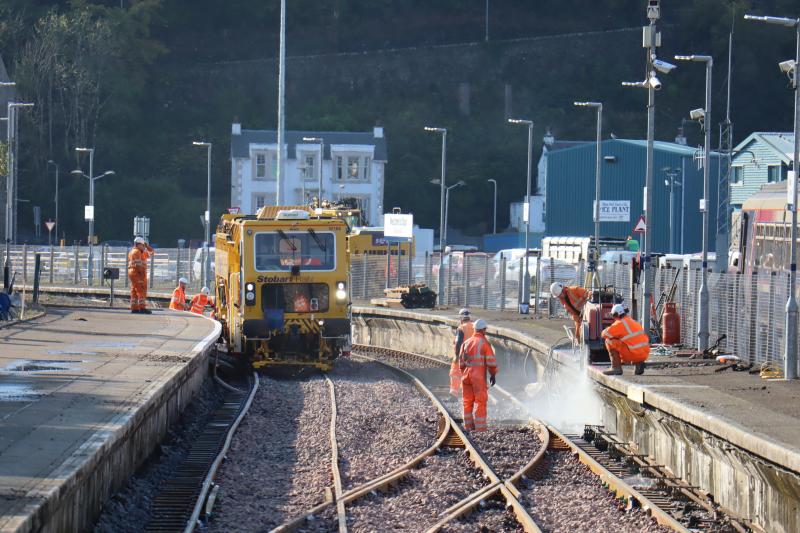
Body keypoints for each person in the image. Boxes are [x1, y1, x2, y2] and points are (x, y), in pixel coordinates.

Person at [459, 319, 498, 432]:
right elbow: (491, 361)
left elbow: (461, 363)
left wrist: (464, 373)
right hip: (478, 377)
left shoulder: (466, 343)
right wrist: (493, 374)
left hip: (466, 376)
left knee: (467, 401)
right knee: (480, 401)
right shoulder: (484, 343)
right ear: (483, 330)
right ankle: (480, 429)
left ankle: (468, 426)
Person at [601, 304, 649, 376]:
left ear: (616, 315)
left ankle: (616, 368)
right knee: (631, 343)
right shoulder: (634, 322)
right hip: (644, 354)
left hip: (633, 355)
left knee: (609, 341)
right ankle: (639, 364)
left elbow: (604, 334)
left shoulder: (620, 323)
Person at [450, 308, 475, 396]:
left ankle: (454, 394)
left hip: (462, 355)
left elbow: (458, 342)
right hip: (474, 356)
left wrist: (457, 356)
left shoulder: (461, 328)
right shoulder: (475, 327)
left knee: (455, 373)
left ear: (461, 318)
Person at [128, 237, 154, 314]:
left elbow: (151, 252)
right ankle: (142, 308)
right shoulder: (136, 252)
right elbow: (138, 265)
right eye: (143, 245)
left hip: (135, 273)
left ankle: (134, 308)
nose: (144, 247)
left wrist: (147, 246)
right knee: (141, 290)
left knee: (135, 291)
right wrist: (142, 276)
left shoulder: (140, 252)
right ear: (138, 245)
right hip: (138, 273)